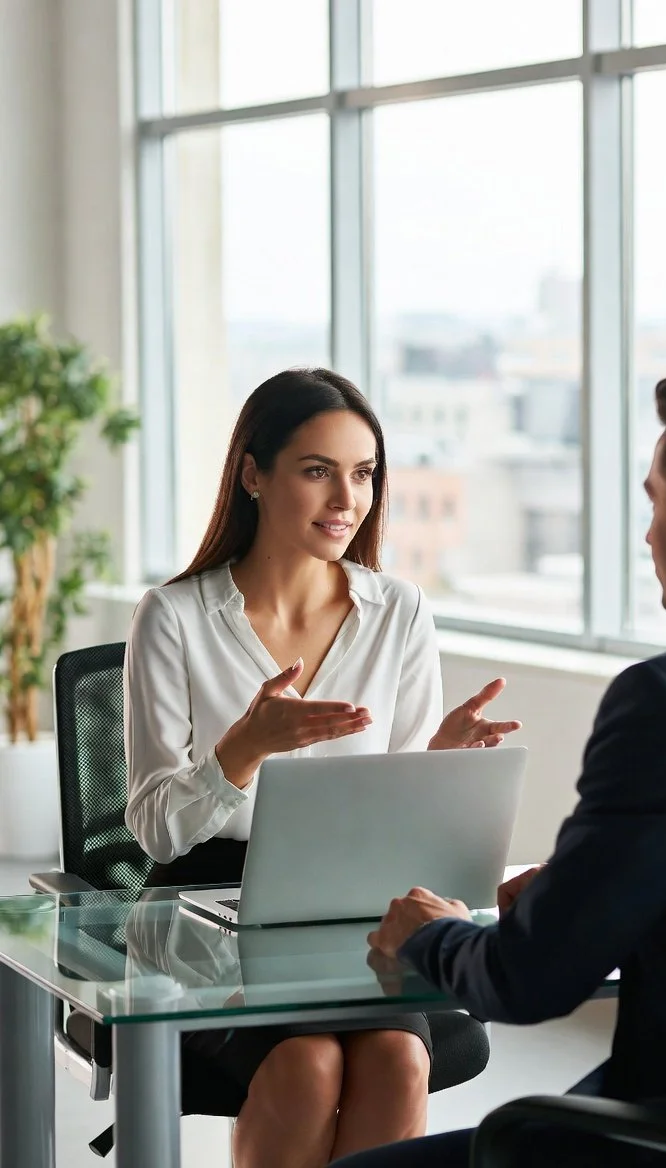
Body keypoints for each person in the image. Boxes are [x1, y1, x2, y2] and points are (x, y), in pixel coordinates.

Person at [333, 366, 666, 1168]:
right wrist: (588, 880)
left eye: (655, 502)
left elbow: (528, 980)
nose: (647, 534)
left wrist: (430, 936)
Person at [123, 366, 522, 1168]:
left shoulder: (399, 612)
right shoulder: (173, 618)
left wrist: (434, 767)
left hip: (355, 912)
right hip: (212, 911)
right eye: (317, 471)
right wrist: (245, 747)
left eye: (364, 474)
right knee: (307, 1066)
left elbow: (401, 807)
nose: (348, 499)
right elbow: (156, 832)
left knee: (398, 1056)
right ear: (252, 475)